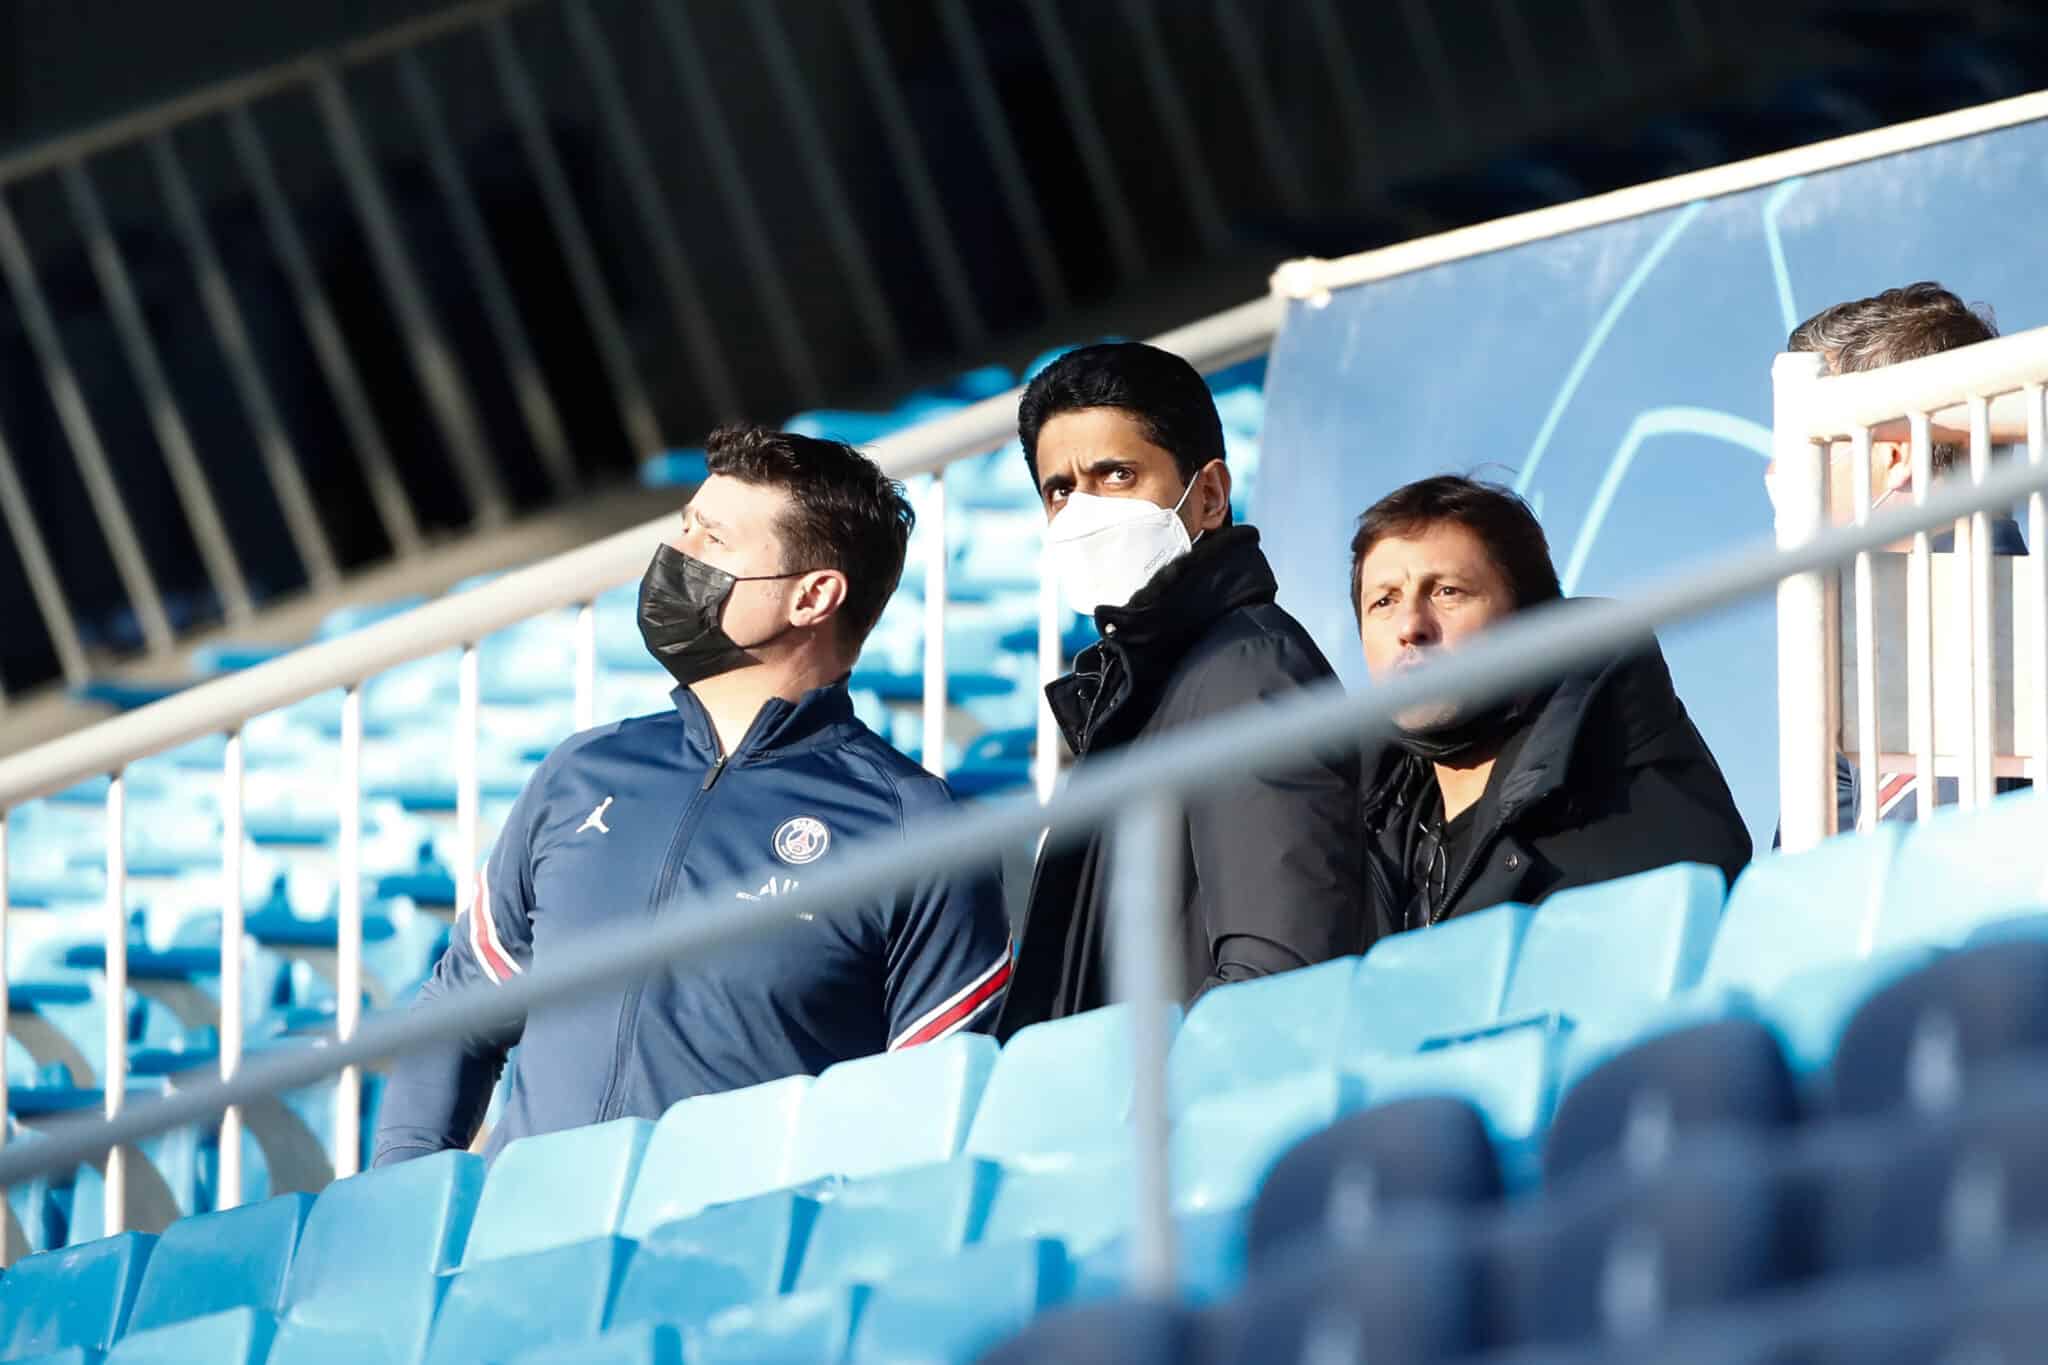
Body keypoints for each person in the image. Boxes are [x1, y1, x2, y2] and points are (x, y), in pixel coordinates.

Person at [374, 427, 1012, 1164]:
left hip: (736, 1262)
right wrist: (404, 1202)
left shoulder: (915, 828)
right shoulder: (582, 770)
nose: (677, 556)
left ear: (813, 596)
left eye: (713, 540)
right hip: (521, 1253)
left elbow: (932, 1112)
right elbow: (460, 1016)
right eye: (683, 527)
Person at [995, 342, 1369, 1038]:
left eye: (1116, 474)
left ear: (1209, 496)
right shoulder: (1147, 685)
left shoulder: (1250, 673)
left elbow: (1277, 970)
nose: (1082, 511)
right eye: (1060, 489)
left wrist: (1145, 1122)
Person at [1352, 475, 1750, 932]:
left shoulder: (1628, 808)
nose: (1411, 626)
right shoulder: (1354, 831)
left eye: (1447, 592)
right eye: (1384, 601)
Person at [1770, 281, 2029, 825]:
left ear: (1893, 455)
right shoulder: (1869, 638)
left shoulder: (1961, 612)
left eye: (1804, 445)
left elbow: (1937, 884)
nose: (1774, 475)